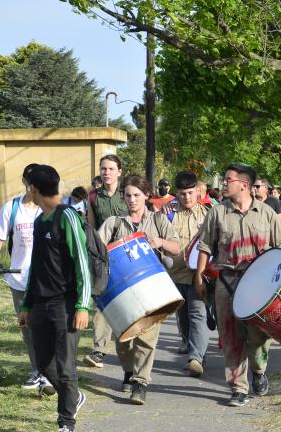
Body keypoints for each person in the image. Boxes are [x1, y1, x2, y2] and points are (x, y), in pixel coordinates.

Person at [195, 163, 281, 406]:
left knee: (258, 336)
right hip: (227, 282)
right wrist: (199, 276)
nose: (223, 183)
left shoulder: (267, 213)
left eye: (228, 180)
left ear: (244, 185)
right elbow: (205, 246)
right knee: (231, 336)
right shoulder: (217, 212)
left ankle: (259, 370)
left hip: (260, 286)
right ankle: (238, 387)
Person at [17, 164, 90, 432]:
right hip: (40, 306)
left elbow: (82, 262)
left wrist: (83, 306)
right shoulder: (39, 221)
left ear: (33, 189)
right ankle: (73, 397)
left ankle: (66, 425)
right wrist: (26, 303)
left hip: (67, 305)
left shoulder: (68, 217)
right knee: (45, 364)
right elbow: (35, 266)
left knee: (65, 366)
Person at [98, 176, 181, 404]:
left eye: (137, 195)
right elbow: (96, 251)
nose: (132, 199)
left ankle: (140, 382)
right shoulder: (114, 223)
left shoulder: (158, 220)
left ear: (146, 195)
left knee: (147, 335)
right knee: (123, 339)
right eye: (128, 195)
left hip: (151, 287)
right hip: (121, 291)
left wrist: (160, 242)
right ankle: (128, 370)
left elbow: (176, 248)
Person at [0, 164, 47, 391]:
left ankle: (50, 372)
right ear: (24, 181)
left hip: (46, 281)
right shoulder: (12, 208)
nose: (33, 186)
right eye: (30, 181)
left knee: (46, 327)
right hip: (20, 280)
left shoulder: (51, 208)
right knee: (28, 329)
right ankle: (37, 370)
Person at [84, 154, 127, 368]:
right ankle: (99, 350)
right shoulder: (93, 197)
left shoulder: (128, 193)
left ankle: (127, 349)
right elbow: (91, 228)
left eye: (111, 169)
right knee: (101, 303)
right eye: (103, 169)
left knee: (125, 303)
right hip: (103, 257)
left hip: (127, 256)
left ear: (119, 171)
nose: (107, 172)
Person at [167, 171, 211, 376]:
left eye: (191, 193)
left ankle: (196, 358)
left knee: (197, 314)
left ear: (198, 192)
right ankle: (191, 343)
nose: (187, 198)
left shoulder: (208, 214)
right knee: (183, 316)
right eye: (183, 194)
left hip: (198, 275)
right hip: (174, 275)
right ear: (177, 193)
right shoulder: (167, 214)